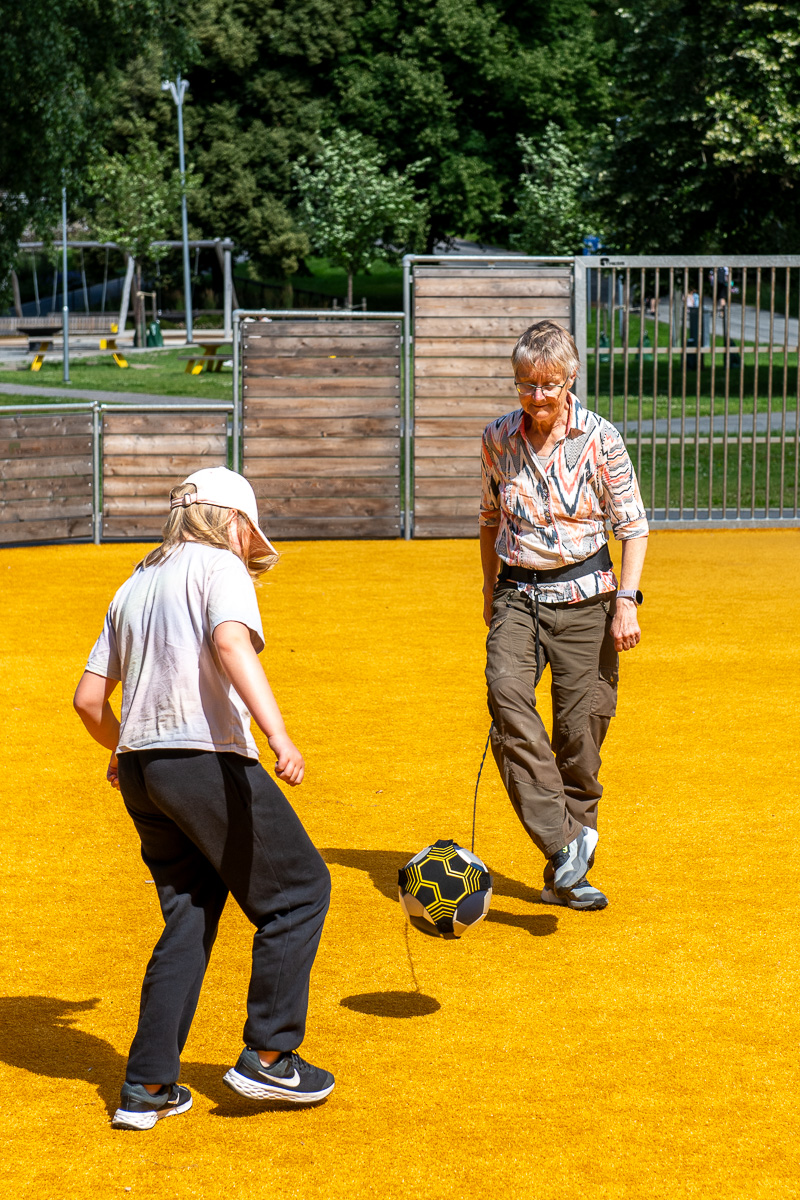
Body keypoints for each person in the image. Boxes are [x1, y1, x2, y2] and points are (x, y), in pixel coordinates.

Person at [73, 467, 334, 1130]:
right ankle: (271, 1056)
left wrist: (124, 743)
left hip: (142, 771)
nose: (252, 545)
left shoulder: (135, 580)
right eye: (250, 530)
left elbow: (86, 699)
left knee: (189, 913)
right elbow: (229, 642)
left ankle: (146, 1087)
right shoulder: (220, 568)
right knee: (299, 892)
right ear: (232, 521)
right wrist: (277, 734)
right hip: (204, 760)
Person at [480, 321, 648, 911]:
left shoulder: (601, 439)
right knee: (505, 696)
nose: (539, 396)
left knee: (580, 736)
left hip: (588, 600)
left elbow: (634, 526)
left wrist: (625, 602)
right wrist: (487, 590)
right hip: (517, 593)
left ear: (570, 378)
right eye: (526, 384)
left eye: (549, 383)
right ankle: (563, 842)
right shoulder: (498, 437)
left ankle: (567, 877)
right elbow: (489, 519)